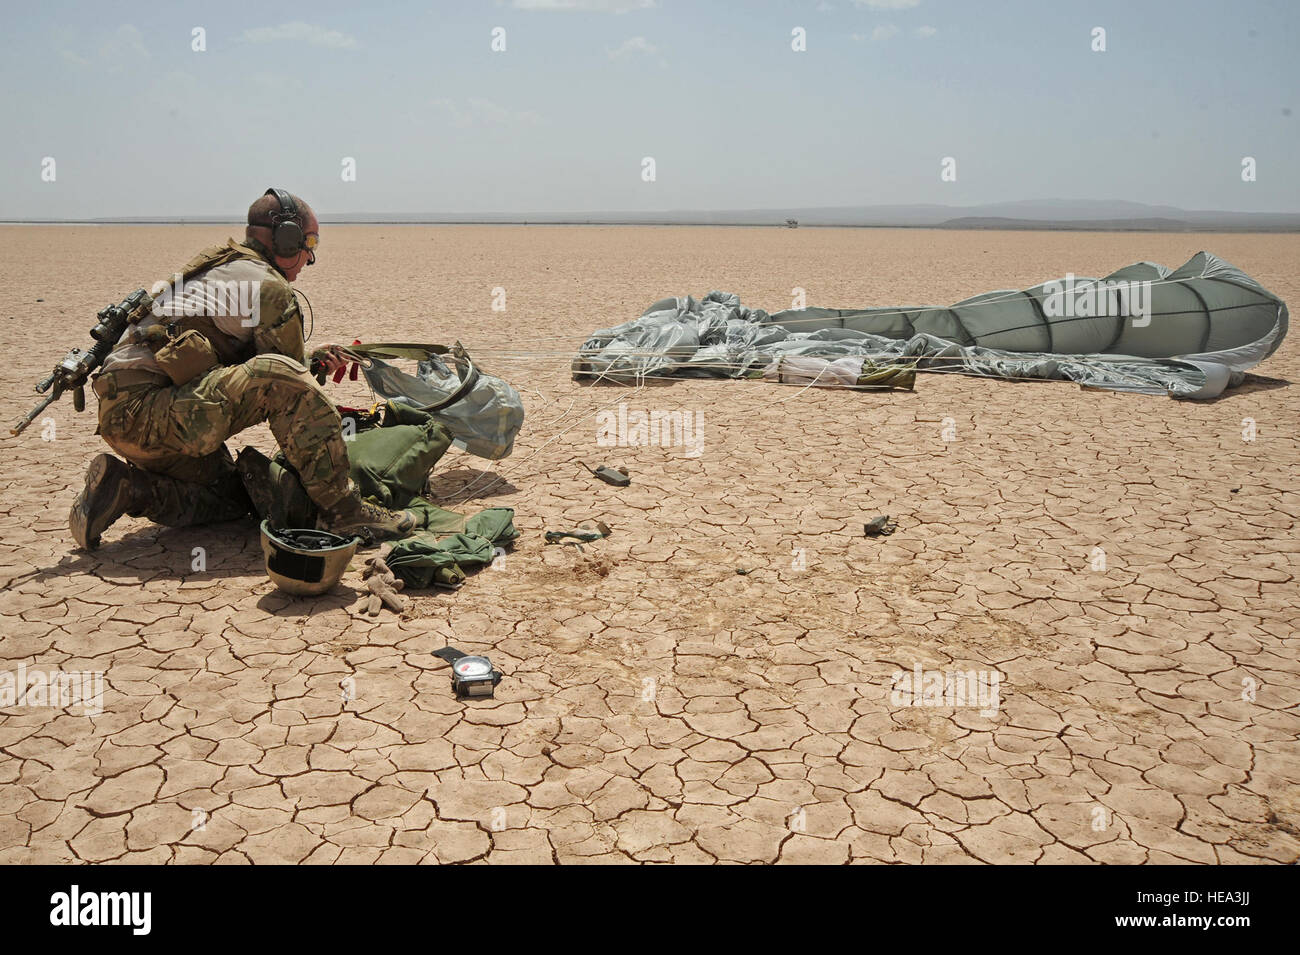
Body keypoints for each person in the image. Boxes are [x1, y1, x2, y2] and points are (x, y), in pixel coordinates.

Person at [69, 187, 417, 550]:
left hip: (130, 420)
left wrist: (312, 362)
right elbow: (287, 382)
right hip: (154, 412)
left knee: (233, 496)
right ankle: (345, 512)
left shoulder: (225, 268)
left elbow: (255, 367)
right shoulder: (268, 286)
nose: (310, 256)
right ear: (286, 239)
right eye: (309, 241)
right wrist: (303, 373)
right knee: (285, 381)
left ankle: (127, 488)